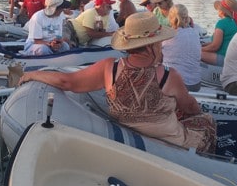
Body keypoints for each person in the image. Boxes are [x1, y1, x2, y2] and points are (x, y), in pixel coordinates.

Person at [19, 12, 216, 153]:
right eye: (159, 42)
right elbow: (190, 107)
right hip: (171, 141)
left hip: (132, 134)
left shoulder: (109, 68)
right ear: (152, 44)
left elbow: (66, 81)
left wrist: (32, 74)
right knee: (207, 121)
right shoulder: (168, 75)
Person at [162, 4, 202, 92]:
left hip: (176, 85)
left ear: (170, 18)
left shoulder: (168, 36)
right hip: (195, 84)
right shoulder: (195, 32)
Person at [201, 0, 237, 66]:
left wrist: (198, 49)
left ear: (222, 11)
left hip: (224, 58)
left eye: (218, 9)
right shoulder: (234, 22)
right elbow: (223, 41)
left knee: (192, 53)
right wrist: (203, 45)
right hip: (233, 58)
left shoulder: (222, 23)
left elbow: (215, 46)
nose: (217, 10)